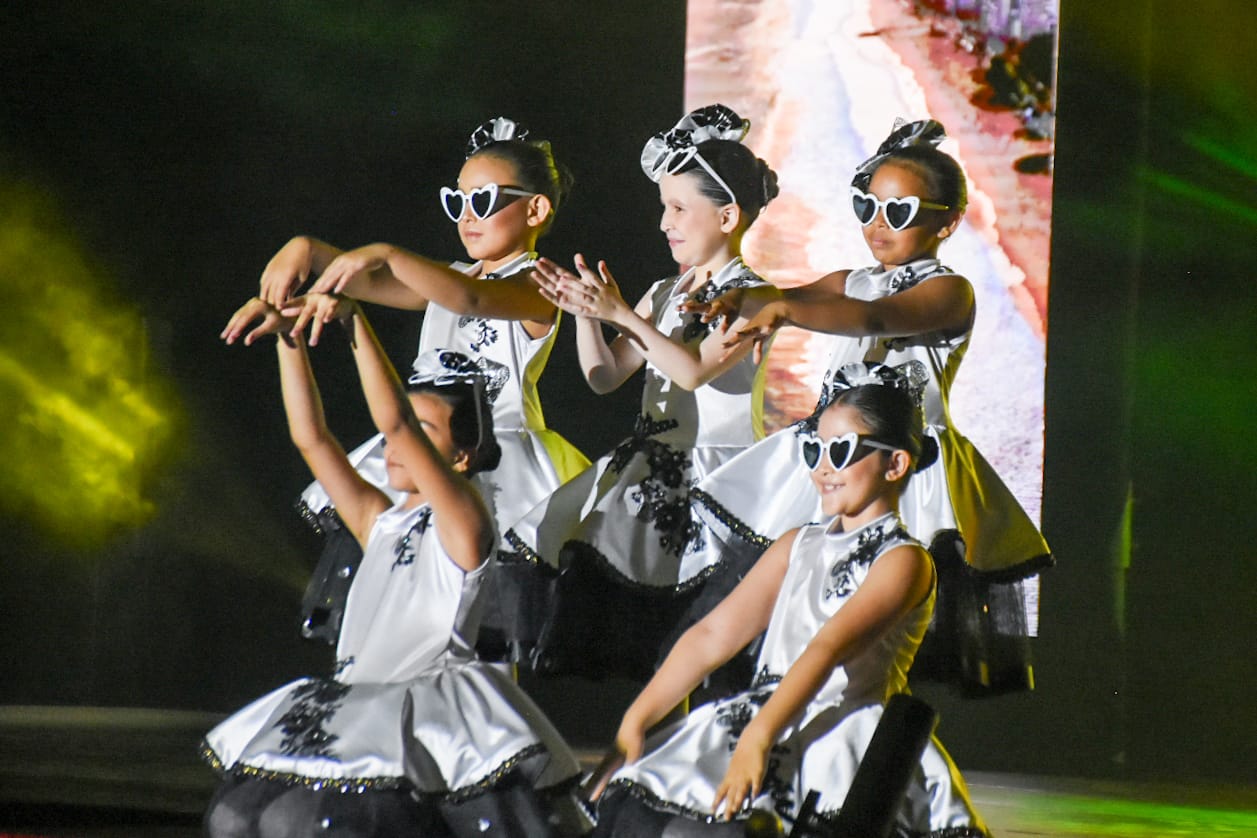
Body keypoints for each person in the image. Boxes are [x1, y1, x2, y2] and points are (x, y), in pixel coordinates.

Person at [685, 119, 1051, 692]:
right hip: (832, 458)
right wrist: (742, 297)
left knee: (881, 633)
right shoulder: (850, 280)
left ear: (948, 221)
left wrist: (785, 311)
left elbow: (875, 318)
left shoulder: (948, 290)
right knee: (800, 602)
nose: (877, 224)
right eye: (867, 206)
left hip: (903, 471)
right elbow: (785, 295)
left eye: (898, 211)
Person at [204, 298, 585, 838]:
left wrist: (353, 320)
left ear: (461, 457)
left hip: (419, 707)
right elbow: (311, 438)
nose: (395, 444)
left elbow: (396, 422)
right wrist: (290, 340)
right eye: (402, 433)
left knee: (309, 821)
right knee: (239, 817)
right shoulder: (376, 520)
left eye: (425, 432)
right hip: (356, 697)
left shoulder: (466, 520)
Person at [586, 363, 989, 837]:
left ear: (895, 464)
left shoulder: (903, 561)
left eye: (840, 450)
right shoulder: (797, 544)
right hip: (765, 713)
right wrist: (636, 720)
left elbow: (826, 648)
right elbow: (713, 634)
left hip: (838, 732)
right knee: (649, 810)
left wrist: (759, 736)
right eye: (814, 449)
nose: (822, 468)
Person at [251, 117, 589, 653]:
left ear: (535, 209)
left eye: (484, 201)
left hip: (495, 456)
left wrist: (385, 252)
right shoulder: (450, 277)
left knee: (485, 614)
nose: (467, 217)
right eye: (458, 203)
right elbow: (366, 280)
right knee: (412, 590)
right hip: (426, 446)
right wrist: (307, 249)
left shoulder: (537, 284)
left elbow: (469, 299)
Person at [501, 104, 780, 680]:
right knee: (643, 635)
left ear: (728, 215)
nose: (664, 223)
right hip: (649, 471)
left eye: (678, 208)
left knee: (707, 639)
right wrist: (587, 314)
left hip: (718, 480)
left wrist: (621, 313)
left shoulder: (753, 295)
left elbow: (692, 371)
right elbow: (604, 377)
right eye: (663, 208)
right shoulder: (664, 291)